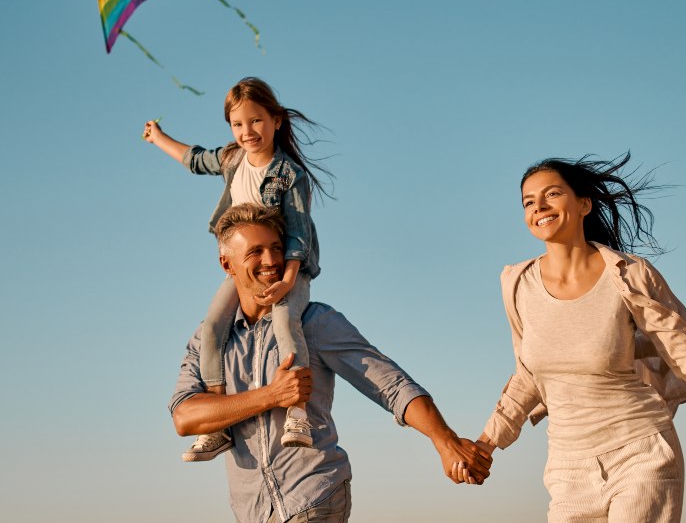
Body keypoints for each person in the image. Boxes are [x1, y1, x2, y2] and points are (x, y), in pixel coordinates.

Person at [457, 155, 686, 523]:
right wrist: (485, 444)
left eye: (552, 194)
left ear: (584, 204)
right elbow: (527, 375)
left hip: (641, 454)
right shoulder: (517, 284)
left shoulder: (628, 275)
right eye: (528, 201)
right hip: (567, 471)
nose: (539, 206)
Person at [170, 203, 491, 522]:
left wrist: (445, 440)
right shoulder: (207, 340)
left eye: (276, 249)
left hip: (314, 498)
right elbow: (185, 417)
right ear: (227, 264)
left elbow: (389, 384)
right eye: (255, 252)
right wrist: (272, 395)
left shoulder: (315, 321)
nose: (270, 261)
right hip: (251, 512)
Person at [144, 77, 330, 460]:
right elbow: (195, 160)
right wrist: (158, 138)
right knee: (212, 328)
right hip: (244, 273)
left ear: (276, 120)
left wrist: (288, 281)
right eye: (238, 124)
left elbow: (297, 234)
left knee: (284, 322)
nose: (248, 132)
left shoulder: (289, 174)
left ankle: (297, 414)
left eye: (256, 121)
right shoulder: (232, 159)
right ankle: (219, 425)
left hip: (285, 269)